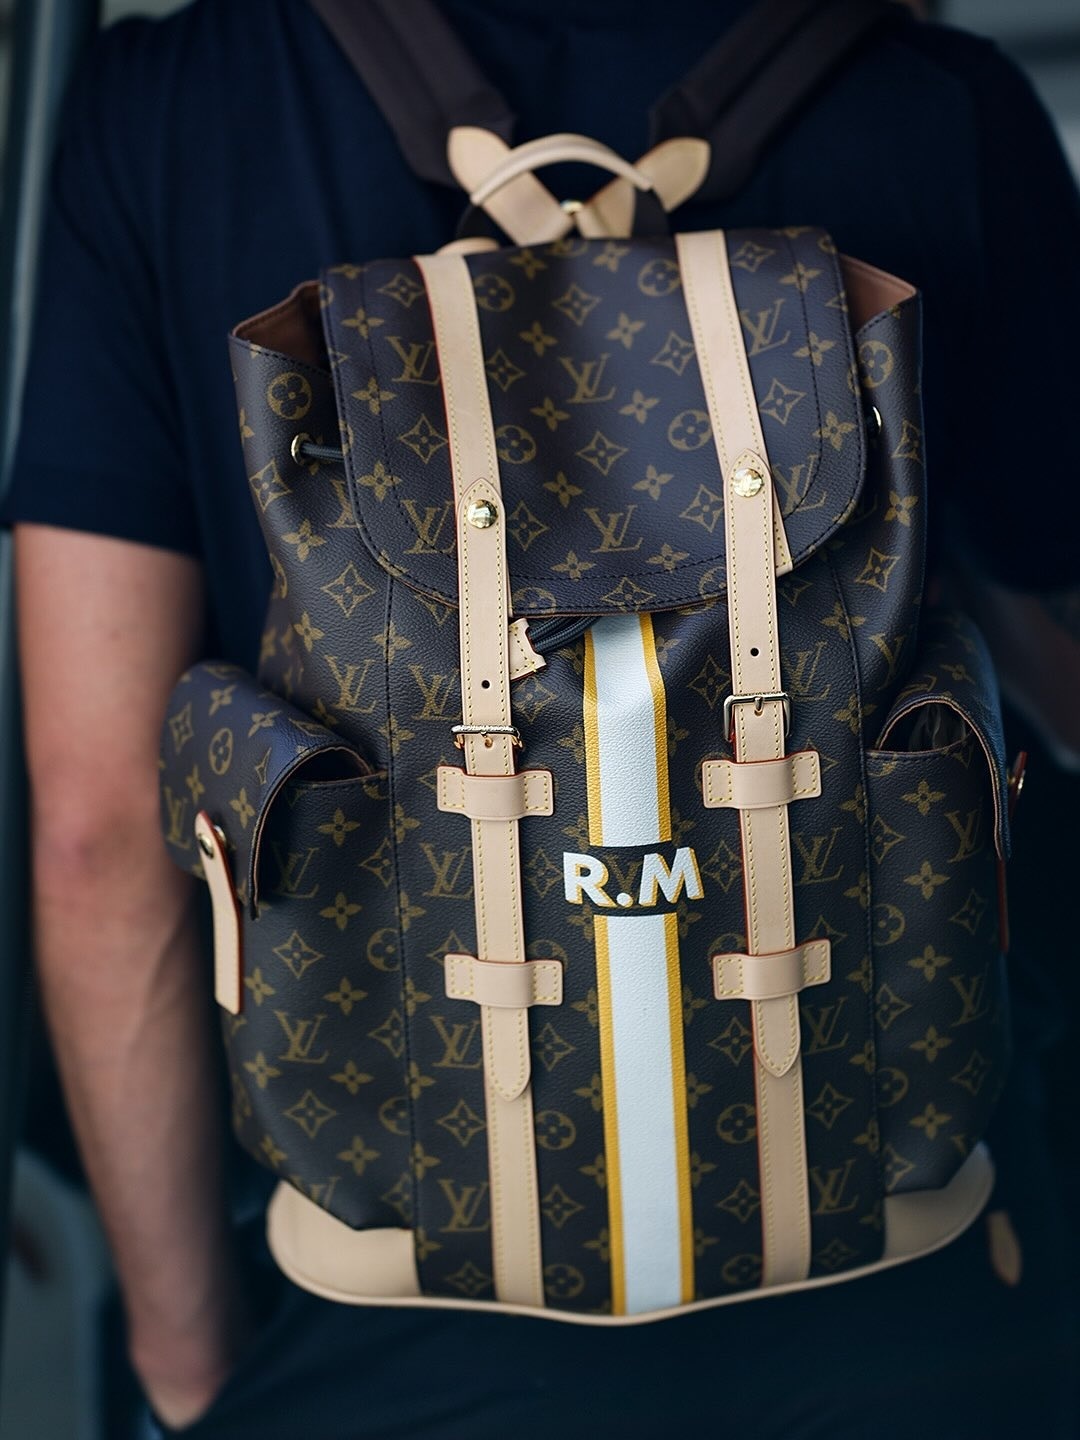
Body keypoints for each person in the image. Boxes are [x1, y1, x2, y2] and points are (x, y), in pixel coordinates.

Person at [4, 1, 1079, 1435]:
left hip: (390, 1316)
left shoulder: (172, 108)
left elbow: (93, 834)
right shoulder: (937, 102)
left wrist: (189, 1361)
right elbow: (1048, 663)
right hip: (903, 1299)